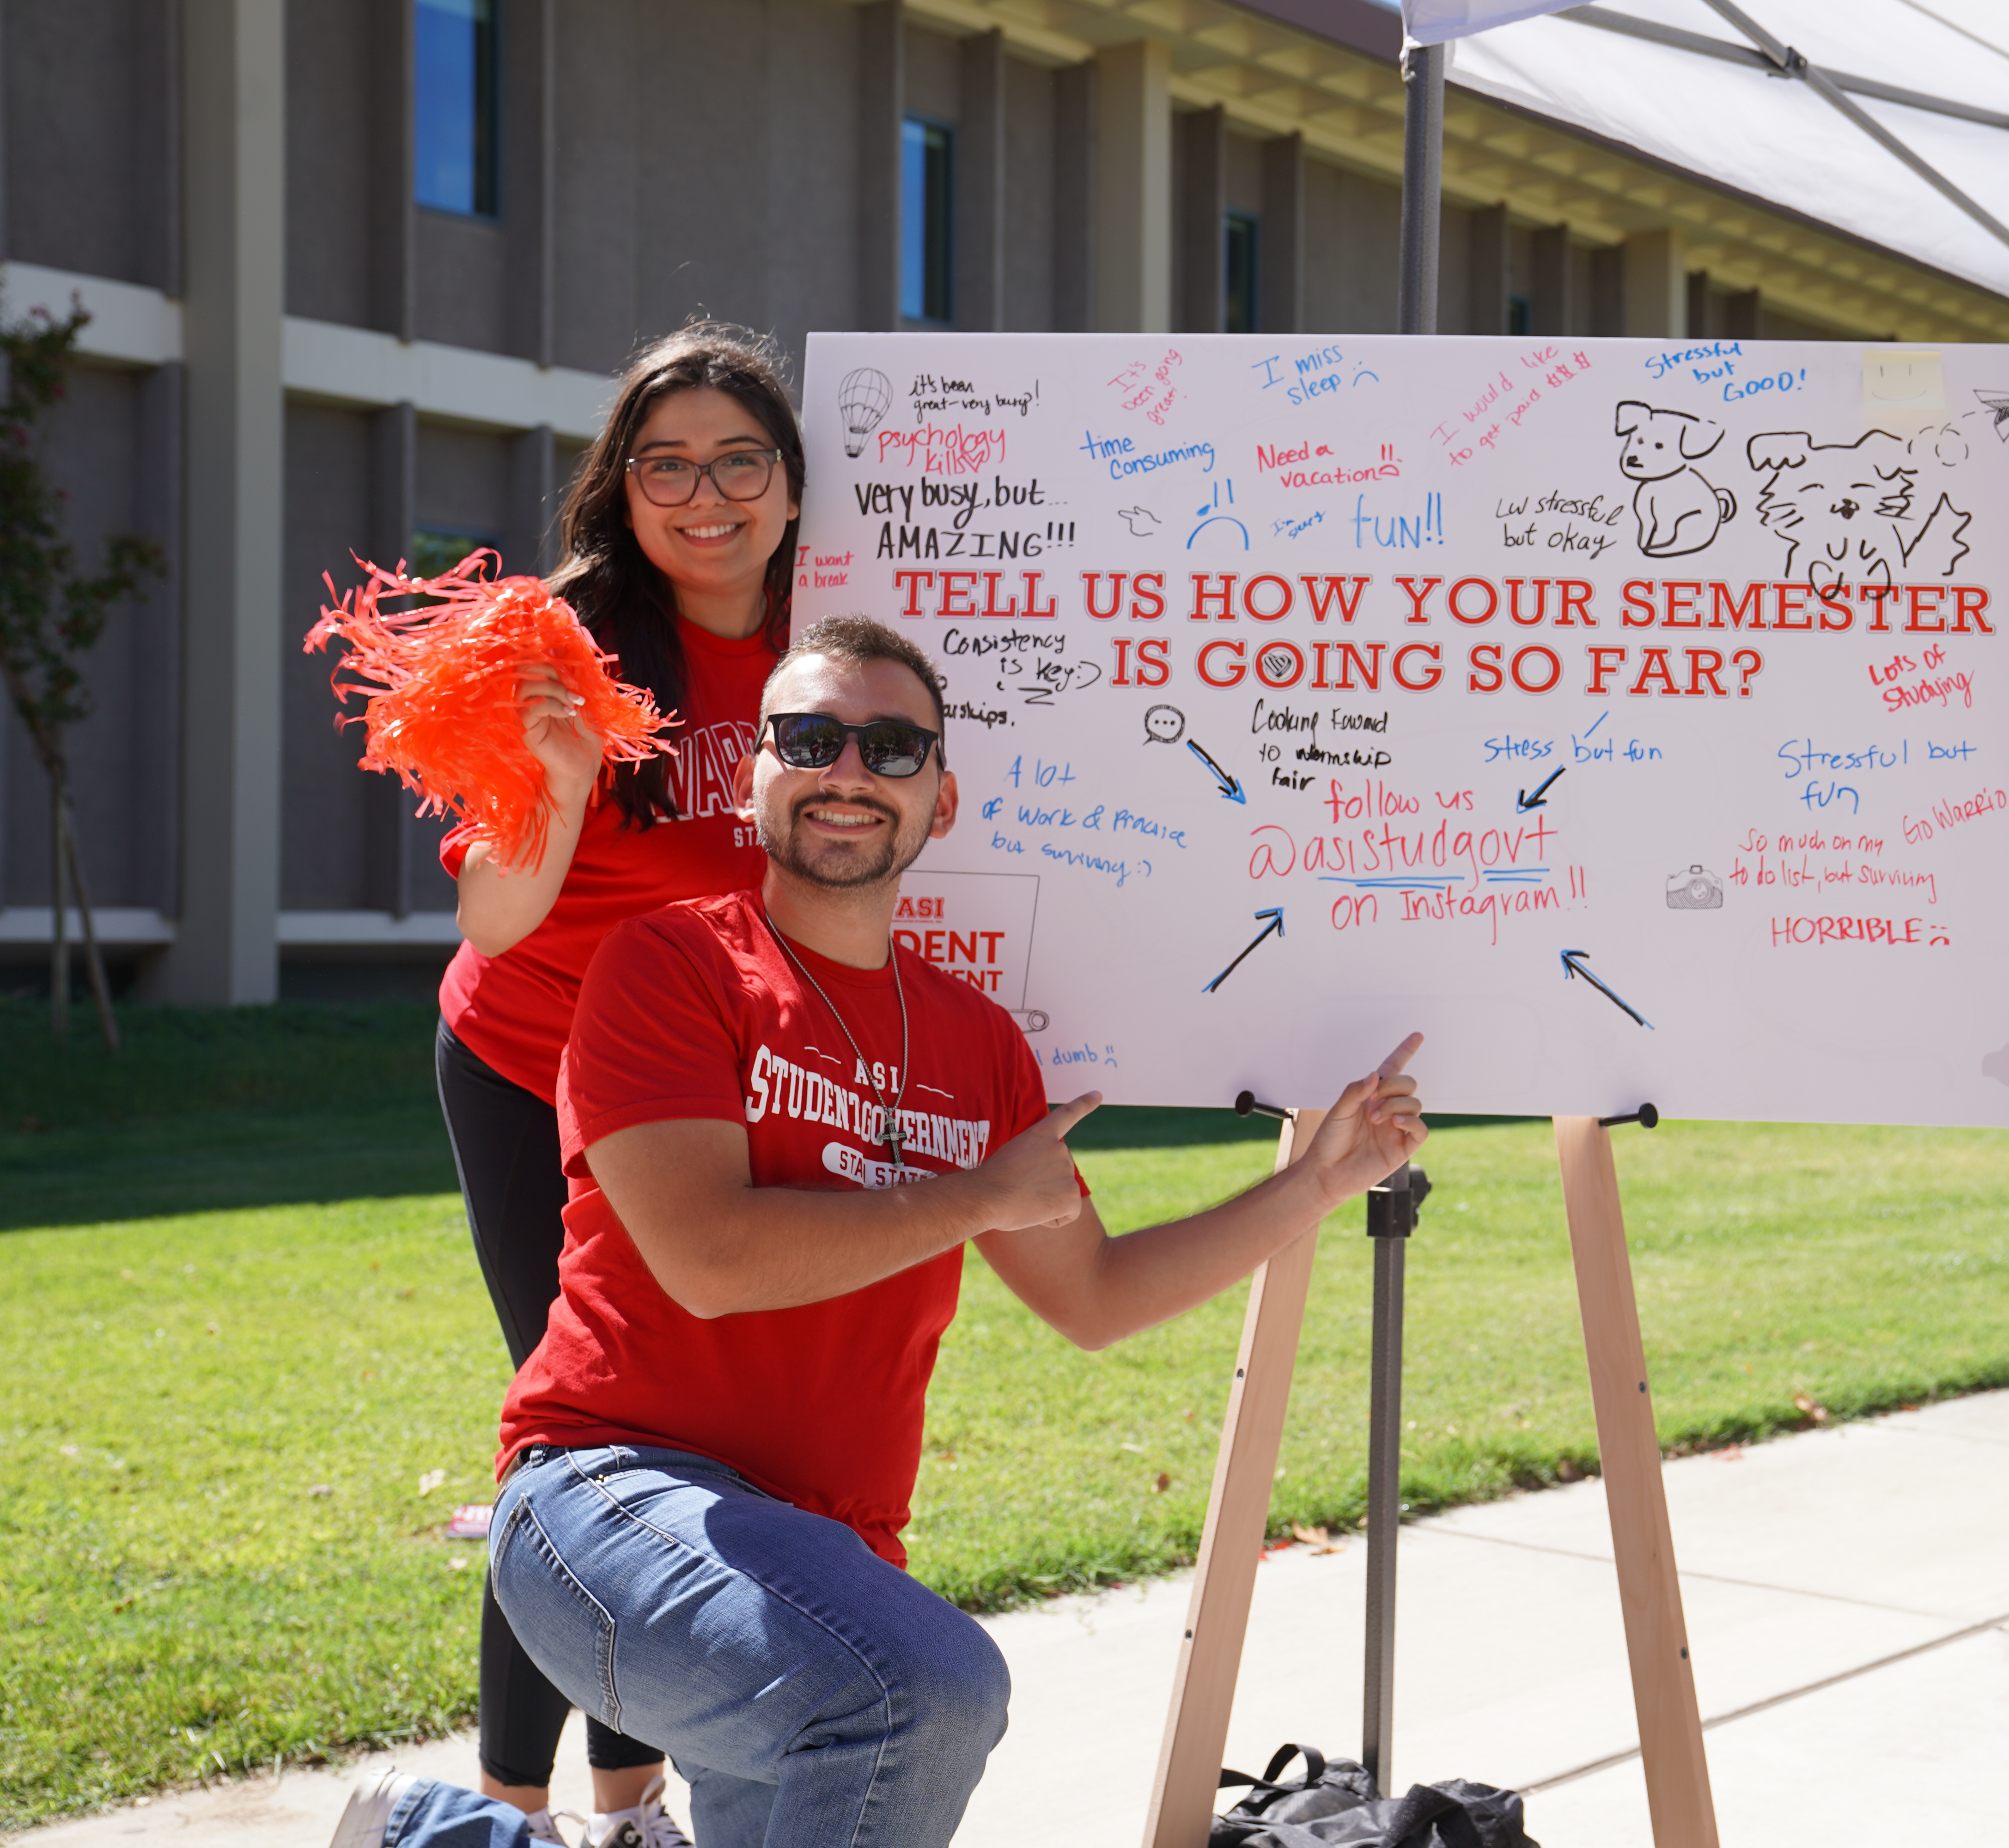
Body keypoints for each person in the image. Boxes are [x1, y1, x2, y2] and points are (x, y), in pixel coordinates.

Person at [338, 616, 1427, 1848]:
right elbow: (709, 1263)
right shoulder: (668, 967)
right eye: (810, 739)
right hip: (605, 1504)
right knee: (929, 1691)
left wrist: (1319, 1187)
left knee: (892, 1708)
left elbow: (1097, 1295)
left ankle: (451, 1838)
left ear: (941, 799)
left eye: (891, 746)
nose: (849, 771)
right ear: (755, 775)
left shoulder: (978, 1045)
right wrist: (971, 1197)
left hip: (820, 1560)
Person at [430, 322, 804, 1848]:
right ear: (621, 488)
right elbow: (492, 916)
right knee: (579, 1442)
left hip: (707, 1083)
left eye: (738, 461)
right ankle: (510, 1817)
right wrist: (567, 786)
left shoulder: (849, 631)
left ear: (792, 484)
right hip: (531, 1065)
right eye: (666, 465)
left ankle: (631, 1799)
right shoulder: (559, 643)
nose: (703, 496)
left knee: (693, 1434)